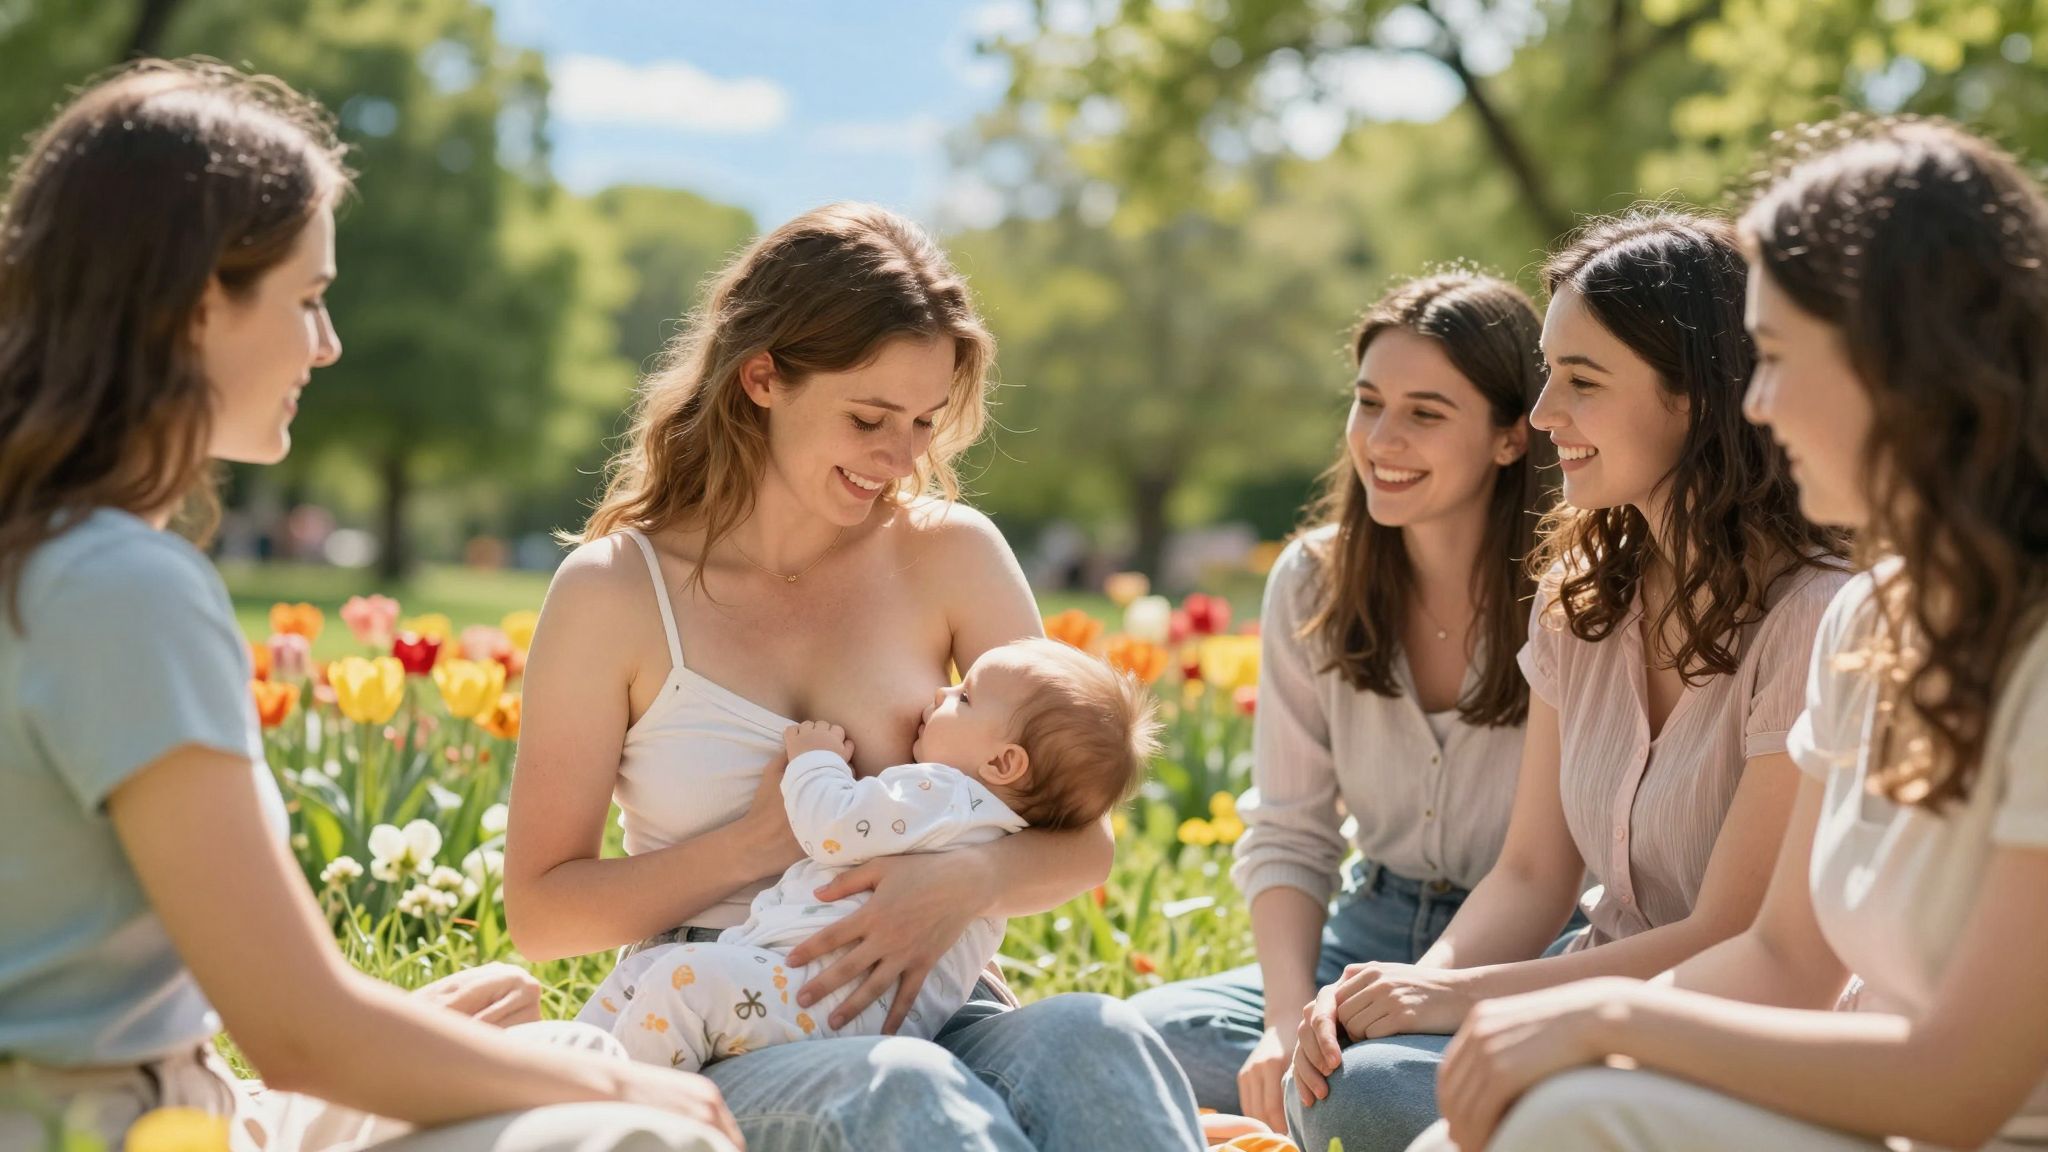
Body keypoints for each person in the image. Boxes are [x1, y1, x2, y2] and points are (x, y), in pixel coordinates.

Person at [0, 60, 740, 1152]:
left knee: (568, 1058)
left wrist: (393, 1039)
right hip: (97, 1125)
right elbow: (301, 1031)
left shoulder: (51, 555)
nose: (329, 343)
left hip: (160, 1098)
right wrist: (633, 1101)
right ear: (200, 304)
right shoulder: (119, 586)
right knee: (641, 1133)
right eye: (306, 300)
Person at [506, 201, 1205, 1152]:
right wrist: (755, 845)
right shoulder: (614, 593)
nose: (904, 457)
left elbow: (1082, 845)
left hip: (938, 1005)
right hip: (726, 1016)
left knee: (1100, 1035)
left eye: (924, 421)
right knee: (903, 1091)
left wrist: (964, 879)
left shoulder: (951, 554)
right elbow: (542, 912)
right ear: (762, 378)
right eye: (870, 417)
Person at [1411, 117, 2048, 1152]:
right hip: (1855, 1122)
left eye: (1781, 355)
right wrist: (1534, 1032)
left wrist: (1608, 1020)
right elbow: (1784, 957)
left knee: (1563, 1114)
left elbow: (1958, 1086)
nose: (1753, 401)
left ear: (1906, 363)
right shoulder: (1868, 622)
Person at [1287, 211, 1851, 1152]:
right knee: (1357, 1080)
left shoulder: (1814, 617)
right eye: (1550, 373)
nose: (1545, 413)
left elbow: (1736, 932)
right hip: (1573, 1006)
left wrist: (1457, 998)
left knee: (1381, 1105)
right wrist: (1401, 997)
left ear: (1697, 399)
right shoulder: (1580, 599)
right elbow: (1534, 872)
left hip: (1732, 1042)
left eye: (1582, 382)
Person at [1126, 272, 1554, 1132]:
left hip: (1523, 954)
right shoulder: (1314, 580)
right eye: (1369, 403)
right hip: (1365, 931)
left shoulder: (1565, 596)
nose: (1382, 440)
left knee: (1367, 1091)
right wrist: (1289, 1020)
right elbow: (1292, 829)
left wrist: (1402, 1005)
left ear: (1511, 437)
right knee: (1139, 1042)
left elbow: (1546, 873)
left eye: (1426, 414)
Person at [580, 638, 1158, 1070]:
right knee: (648, 976)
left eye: (964, 695)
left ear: (1004, 763)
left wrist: (815, 760)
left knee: (680, 981)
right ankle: (580, 1074)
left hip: (821, 999)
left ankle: (623, 1108)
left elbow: (831, 828)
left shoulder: (941, 793)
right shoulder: (1000, 828)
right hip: (849, 1005)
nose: (941, 693)